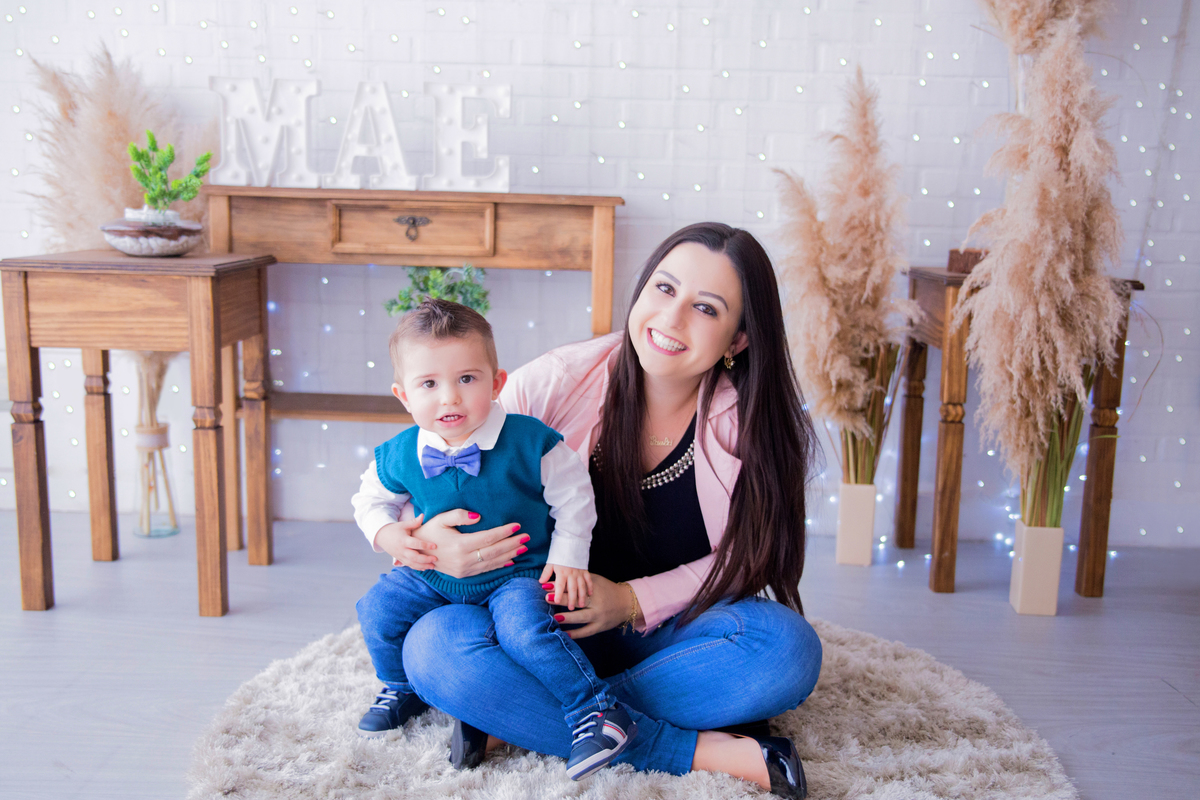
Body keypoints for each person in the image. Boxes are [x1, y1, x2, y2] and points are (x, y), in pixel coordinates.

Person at [383, 222, 823, 800]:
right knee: (434, 648)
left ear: (739, 339)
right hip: (532, 627)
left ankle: (522, 716)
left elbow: (749, 557)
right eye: (664, 290)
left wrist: (630, 600)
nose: (670, 320)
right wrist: (433, 542)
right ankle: (692, 747)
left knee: (785, 651)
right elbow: (431, 453)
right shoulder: (559, 380)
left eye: (706, 309)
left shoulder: (750, 422)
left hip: (664, 633)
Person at [351, 299, 641, 780]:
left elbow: (574, 500)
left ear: (497, 381)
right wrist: (387, 535)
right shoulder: (400, 453)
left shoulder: (532, 441)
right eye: (429, 384)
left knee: (527, 630)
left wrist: (570, 559)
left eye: (467, 379)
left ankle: (596, 710)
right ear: (403, 395)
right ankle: (399, 685)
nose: (450, 398)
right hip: (437, 573)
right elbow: (369, 501)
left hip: (518, 572)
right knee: (378, 607)